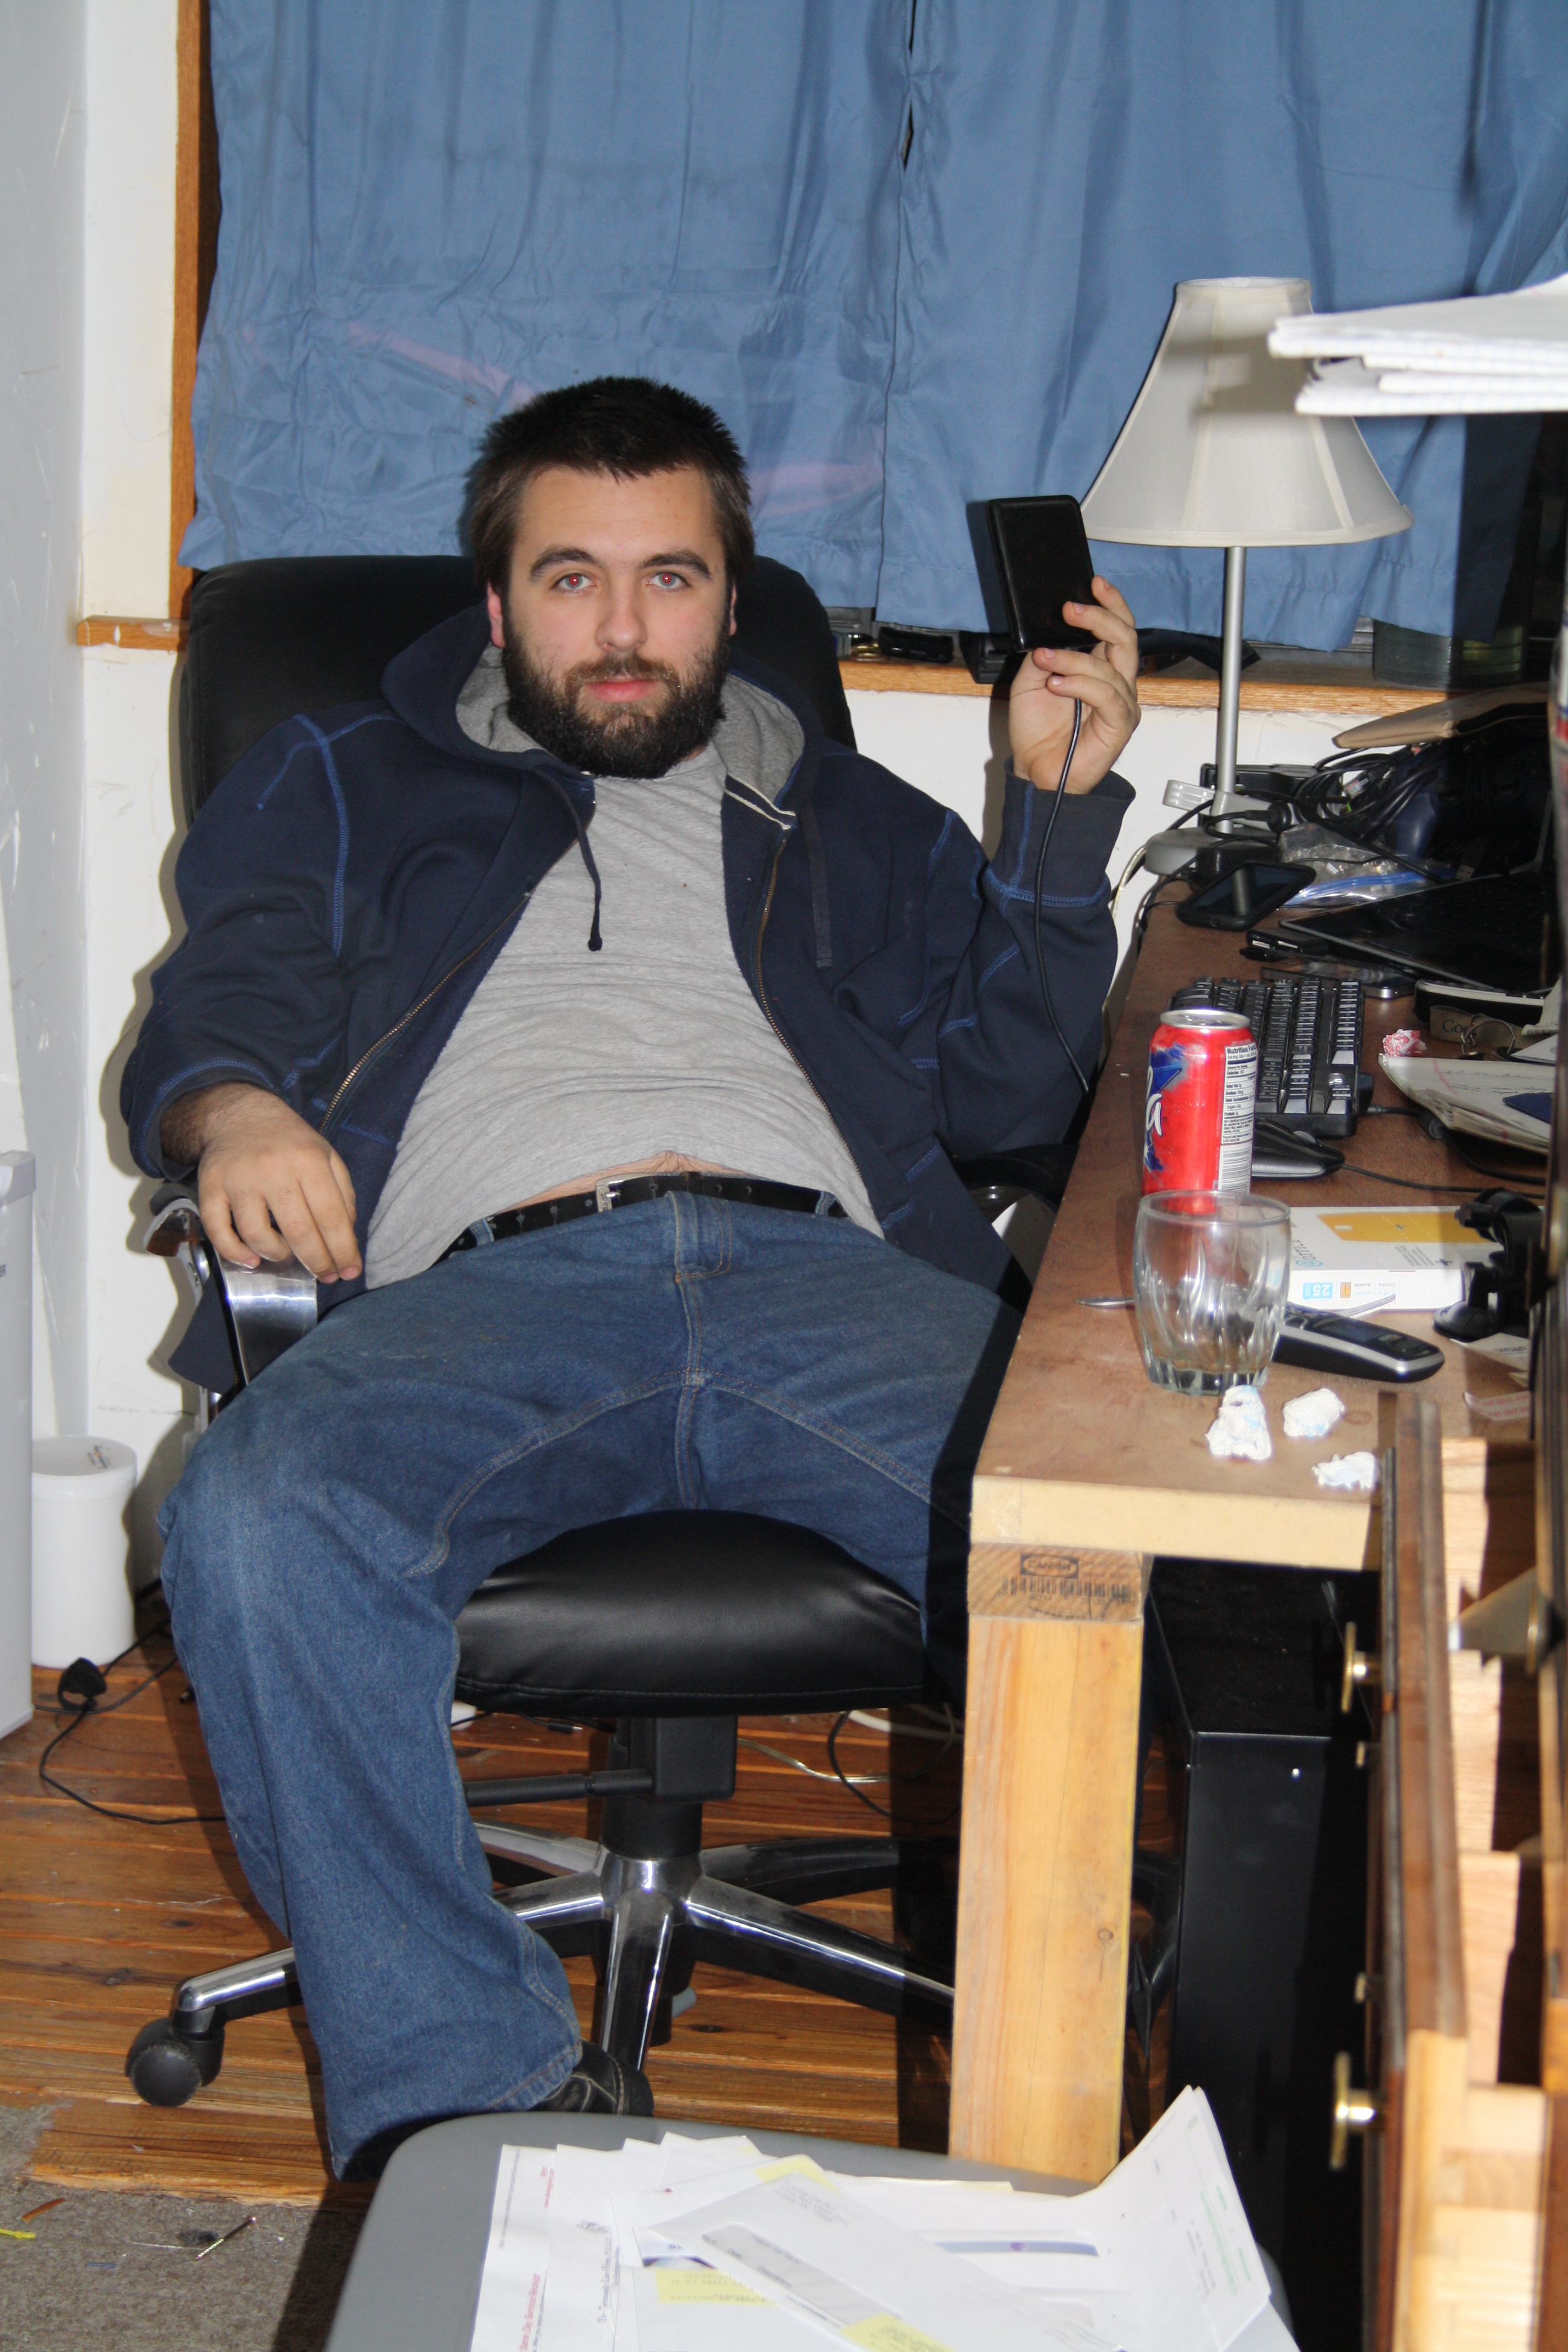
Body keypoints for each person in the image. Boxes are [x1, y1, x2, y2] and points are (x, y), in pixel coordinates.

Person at [123, 376, 1141, 2177]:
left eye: (668, 578)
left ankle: (1071, 2126)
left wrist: (1056, 824)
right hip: (486, 1297)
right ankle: (475, 2123)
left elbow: (1014, 1101)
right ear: (498, 602)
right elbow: (219, 1010)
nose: (619, 628)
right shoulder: (343, 778)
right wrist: (236, 1115)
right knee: (258, 1521)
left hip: (824, 1278)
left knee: (1136, 1524)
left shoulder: (854, 814)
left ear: (730, 603)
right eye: (571, 577)